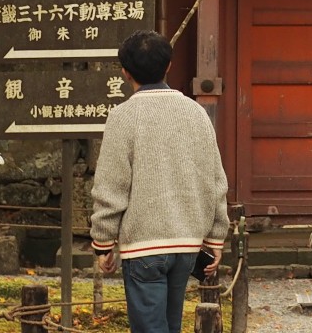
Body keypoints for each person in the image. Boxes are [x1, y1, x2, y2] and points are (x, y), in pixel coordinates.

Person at [90, 31, 231, 333]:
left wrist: (103, 243)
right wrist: (216, 238)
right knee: (171, 325)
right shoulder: (196, 113)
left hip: (143, 245)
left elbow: (110, 187)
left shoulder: (122, 117)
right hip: (187, 244)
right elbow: (215, 179)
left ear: (125, 72)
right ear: (168, 66)